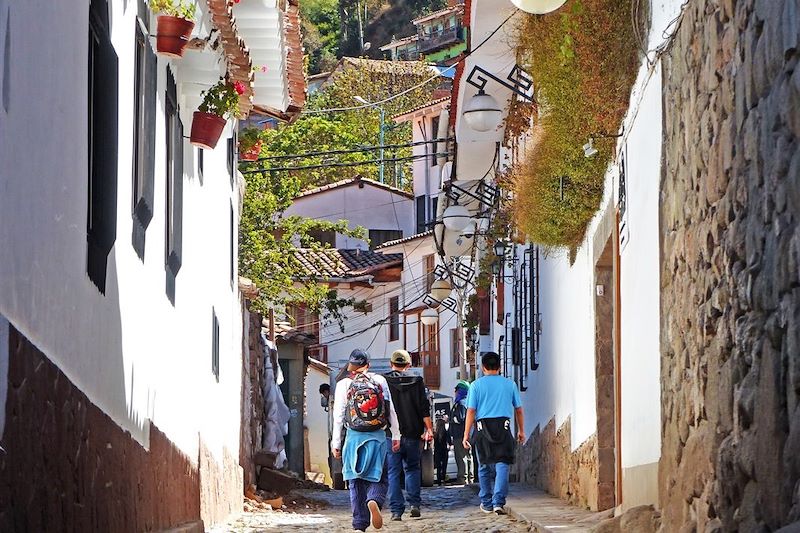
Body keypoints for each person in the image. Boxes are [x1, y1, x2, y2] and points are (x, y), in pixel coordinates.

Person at [331, 349, 401, 531]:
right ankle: (374, 500)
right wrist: (396, 435)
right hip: (377, 436)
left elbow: (338, 415)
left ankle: (359, 525)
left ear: (350, 367)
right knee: (380, 477)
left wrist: (336, 443)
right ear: (368, 365)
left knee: (355, 481)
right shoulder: (379, 381)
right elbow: (389, 408)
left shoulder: (344, 384)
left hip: (353, 439)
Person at [462, 352, 525, 515]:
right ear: (499, 366)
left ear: (483, 368)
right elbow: (518, 409)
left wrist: (466, 434)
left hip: (483, 427)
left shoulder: (476, 385)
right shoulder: (510, 384)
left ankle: (487, 502)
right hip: (503, 426)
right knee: (502, 464)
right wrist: (521, 431)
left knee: (483, 465)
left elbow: (470, 411)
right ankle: (499, 501)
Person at [383, 349, 433, 521]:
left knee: (393, 472)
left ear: (391, 364)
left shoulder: (385, 381)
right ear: (408, 365)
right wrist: (429, 429)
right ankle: (414, 505)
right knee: (412, 468)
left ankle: (396, 510)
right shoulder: (417, 381)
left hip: (391, 435)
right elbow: (423, 408)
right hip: (413, 433)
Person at [449, 380, 473, 484]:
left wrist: (450, 419)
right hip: (467, 434)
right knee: (468, 457)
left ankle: (462, 479)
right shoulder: (468, 402)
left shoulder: (461, 404)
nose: (455, 392)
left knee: (461, 457)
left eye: (456, 390)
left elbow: (460, 418)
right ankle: (469, 479)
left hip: (460, 435)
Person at [433, 417, 452, 485]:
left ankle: (438, 481)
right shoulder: (446, 433)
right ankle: (443, 479)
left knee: (438, 467)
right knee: (444, 466)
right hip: (444, 450)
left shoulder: (435, 434)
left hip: (437, 451)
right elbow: (450, 442)